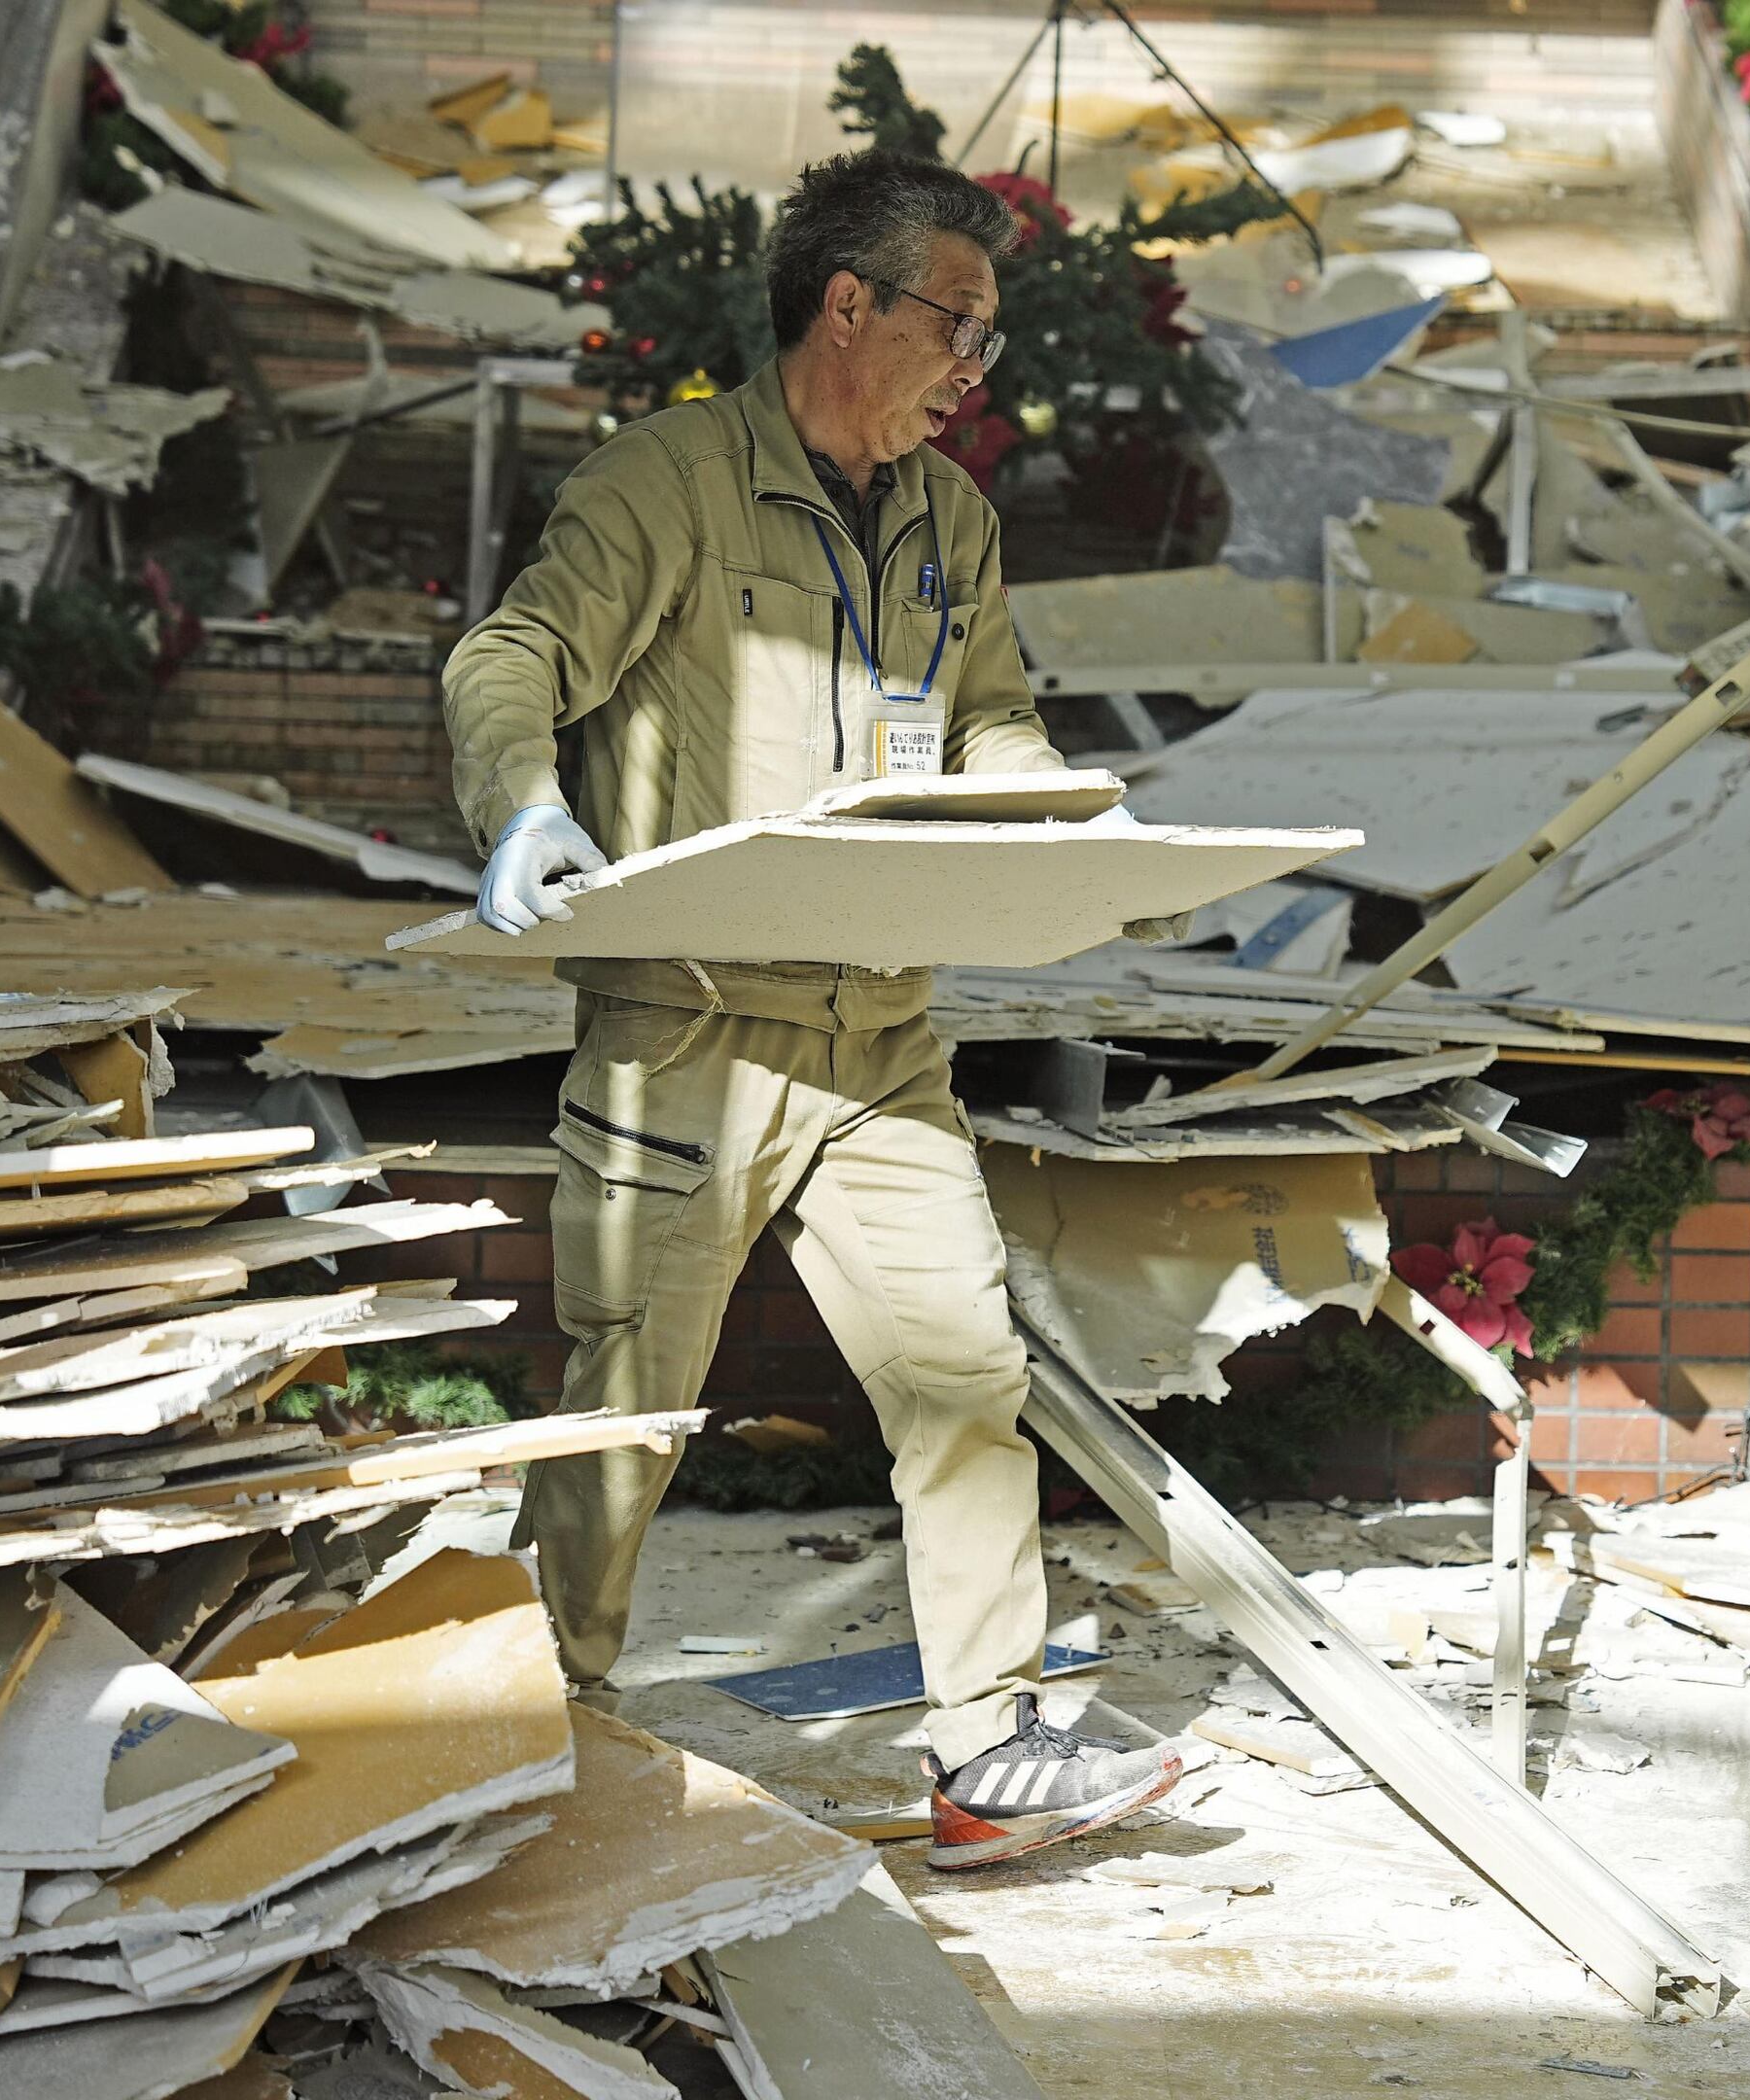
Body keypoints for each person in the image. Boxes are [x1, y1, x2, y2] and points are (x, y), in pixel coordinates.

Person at [441, 151, 1180, 1868]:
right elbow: (513, 655)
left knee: (964, 1380)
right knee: (630, 1405)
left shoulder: (952, 522)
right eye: (957, 327)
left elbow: (989, 719)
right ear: (846, 303)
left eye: (987, 342)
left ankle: (988, 1755)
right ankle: (537, 1756)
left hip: (880, 1035)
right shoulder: (674, 483)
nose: (973, 373)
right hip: (686, 1028)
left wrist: (1069, 821)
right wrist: (520, 804)